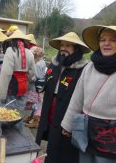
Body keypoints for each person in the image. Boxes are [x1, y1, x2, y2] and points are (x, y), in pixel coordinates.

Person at [61, 26, 116, 163]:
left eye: (113, 40)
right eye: (102, 40)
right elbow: (77, 98)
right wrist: (68, 124)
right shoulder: (89, 67)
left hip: (110, 134)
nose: (106, 43)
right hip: (85, 128)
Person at [36, 32, 90, 163]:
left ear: (76, 49)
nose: (63, 48)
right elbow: (46, 81)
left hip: (69, 111)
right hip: (50, 107)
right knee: (51, 141)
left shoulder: (83, 68)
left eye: (68, 45)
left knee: (65, 147)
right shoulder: (54, 63)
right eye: (62, 45)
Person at [0, 29, 35, 115]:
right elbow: (32, 72)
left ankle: (12, 128)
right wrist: (24, 78)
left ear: (12, 41)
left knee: (10, 111)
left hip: (12, 85)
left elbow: (6, 73)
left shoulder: (10, 51)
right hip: (24, 85)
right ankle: (19, 127)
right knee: (20, 111)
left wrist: (1, 92)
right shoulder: (29, 52)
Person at [25, 46, 46, 128]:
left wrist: (28, 77)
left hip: (35, 86)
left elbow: (34, 76)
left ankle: (35, 121)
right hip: (39, 86)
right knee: (36, 102)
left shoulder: (38, 64)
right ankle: (32, 118)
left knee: (35, 103)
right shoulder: (42, 62)